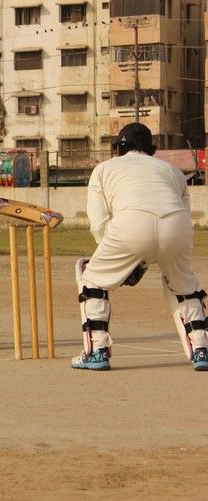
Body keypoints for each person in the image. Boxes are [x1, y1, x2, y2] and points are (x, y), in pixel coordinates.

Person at [74, 122, 207, 371]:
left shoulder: (104, 169)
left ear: (118, 149)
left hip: (130, 225)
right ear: (151, 149)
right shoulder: (173, 171)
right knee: (184, 284)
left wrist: (122, 260)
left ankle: (97, 351)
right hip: (177, 227)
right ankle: (202, 349)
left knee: (92, 278)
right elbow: (183, 215)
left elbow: (99, 221)